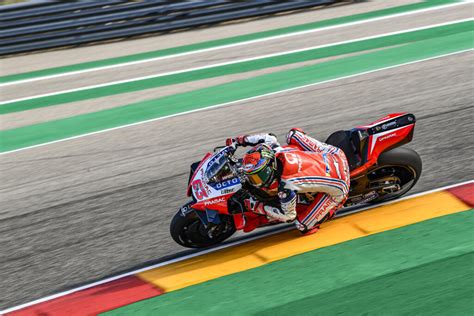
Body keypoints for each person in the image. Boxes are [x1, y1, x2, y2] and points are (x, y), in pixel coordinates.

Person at [226, 128, 350, 235]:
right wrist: (240, 141)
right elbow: (268, 137)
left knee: (303, 226)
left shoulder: (286, 186)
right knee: (293, 134)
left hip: (341, 184)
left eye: (257, 176)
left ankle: (335, 207)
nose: (254, 181)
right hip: (334, 154)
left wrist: (259, 207)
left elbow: (288, 216)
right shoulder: (274, 151)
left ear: (269, 169)